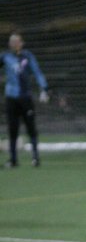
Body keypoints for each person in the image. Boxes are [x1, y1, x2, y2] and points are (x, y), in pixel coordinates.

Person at [0, 32, 49, 167]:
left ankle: (35, 158)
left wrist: (44, 88)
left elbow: (37, 72)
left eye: (16, 41)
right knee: (12, 129)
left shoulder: (28, 56)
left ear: (21, 43)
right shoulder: (5, 57)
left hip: (26, 98)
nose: (14, 44)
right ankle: (13, 160)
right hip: (11, 99)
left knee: (31, 128)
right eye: (12, 42)